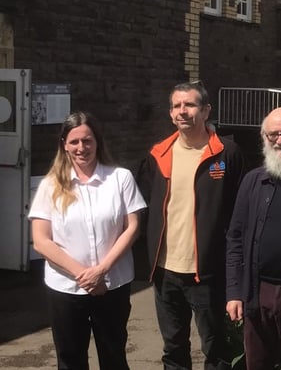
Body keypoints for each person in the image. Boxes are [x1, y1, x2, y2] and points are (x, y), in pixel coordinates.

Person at [137, 81, 248, 370]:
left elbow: (239, 214)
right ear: (170, 113)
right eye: (176, 106)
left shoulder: (227, 153)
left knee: (216, 348)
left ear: (206, 109)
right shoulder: (158, 155)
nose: (182, 111)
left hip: (207, 273)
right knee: (173, 347)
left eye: (190, 105)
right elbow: (145, 211)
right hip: (165, 271)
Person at [28, 111, 146, 370]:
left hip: (112, 286)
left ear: (98, 142)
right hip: (66, 289)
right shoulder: (50, 185)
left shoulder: (120, 178)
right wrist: (85, 275)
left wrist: (101, 272)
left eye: (88, 141)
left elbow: (133, 228)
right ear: (64, 145)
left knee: (114, 356)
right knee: (70, 360)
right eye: (74, 142)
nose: (81, 148)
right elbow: (41, 240)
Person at [226, 107, 281, 370]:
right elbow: (235, 238)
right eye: (273, 134)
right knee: (257, 362)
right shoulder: (253, 181)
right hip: (257, 290)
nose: (280, 140)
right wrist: (234, 292)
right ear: (263, 137)